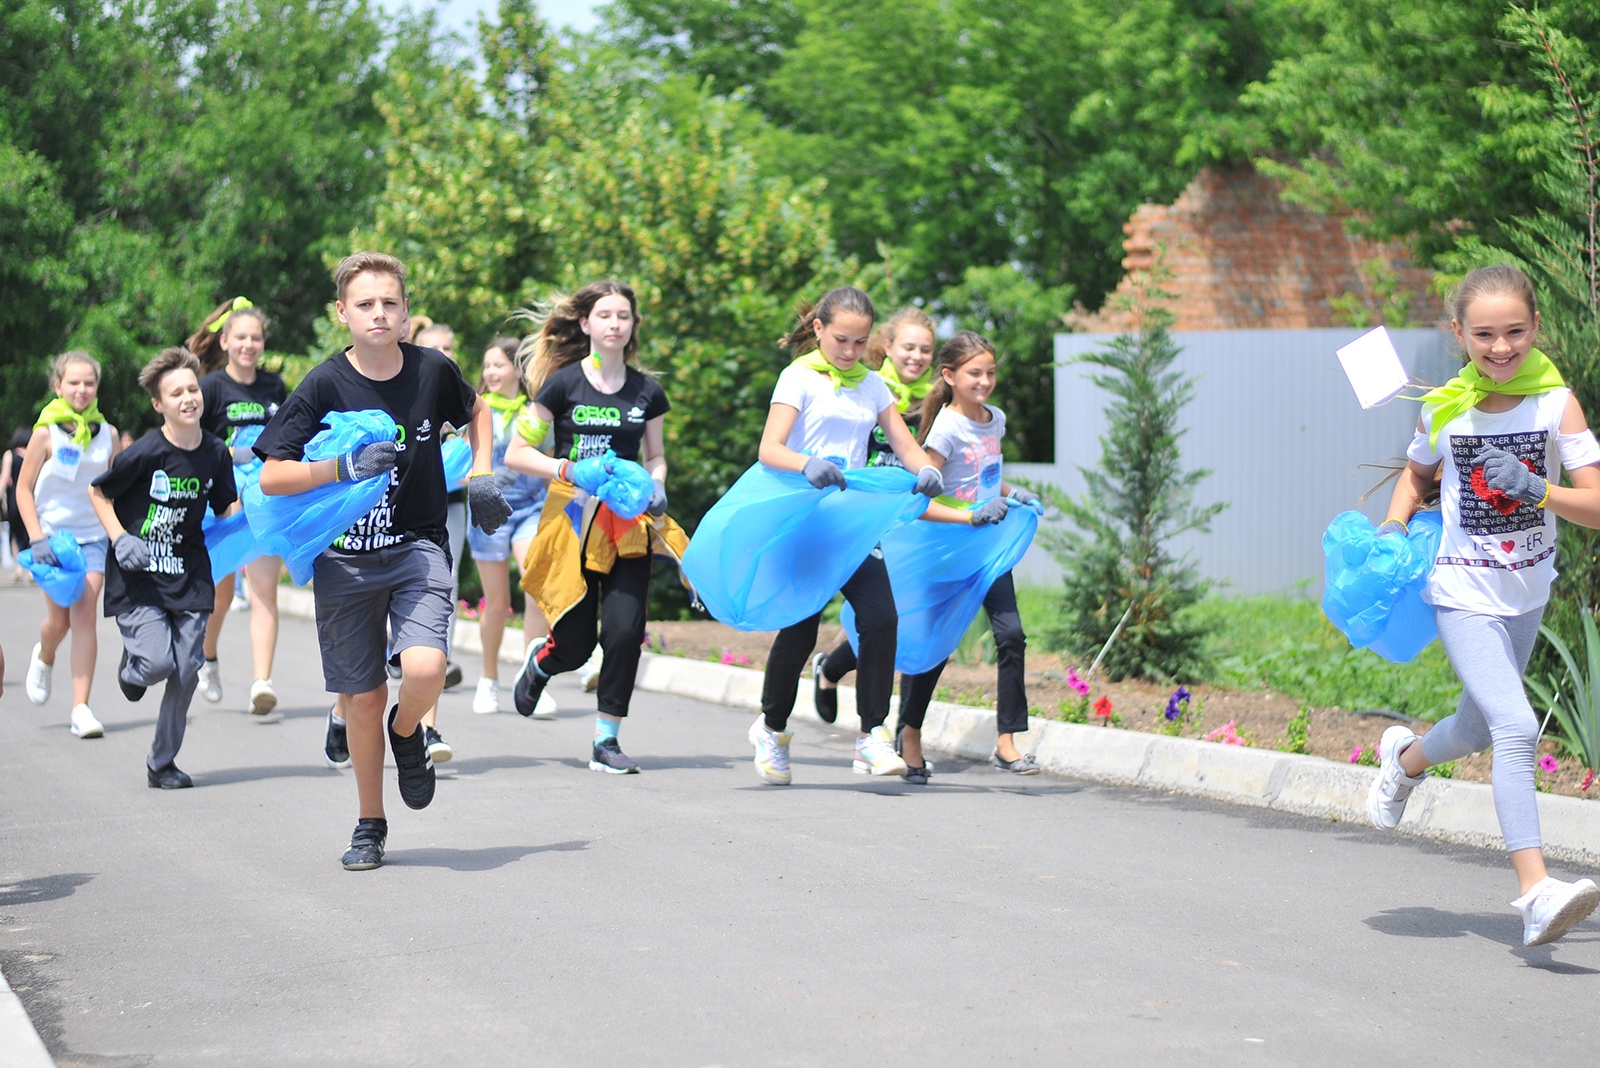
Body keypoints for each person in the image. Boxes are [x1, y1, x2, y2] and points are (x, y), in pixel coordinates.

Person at [254, 252, 507, 870]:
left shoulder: (431, 371)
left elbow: (478, 410)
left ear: (405, 312)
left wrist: (481, 472)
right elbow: (271, 476)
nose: (378, 313)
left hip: (417, 546)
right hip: (344, 562)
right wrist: (340, 468)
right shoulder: (322, 384)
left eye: (389, 303)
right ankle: (370, 823)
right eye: (365, 303)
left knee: (424, 669)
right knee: (361, 698)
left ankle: (408, 732)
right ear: (342, 313)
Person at [1371, 264, 1600, 946]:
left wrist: (1537, 489)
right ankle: (1534, 892)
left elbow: (1593, 505)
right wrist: (1392, 525)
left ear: (1534, 329)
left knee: (1473, 732)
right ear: (1459, 334)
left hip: (1525, 594)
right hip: (1462, 593)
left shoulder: (1555, 404)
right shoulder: (1442, 406)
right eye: (1485, 335)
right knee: (1516, 730)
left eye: (1515, 333)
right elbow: (1415, 472)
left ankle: (1405, 759)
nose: (1501, 348)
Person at [748, 286, 945, 785]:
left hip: (852, 520)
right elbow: (769, 449)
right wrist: (805, 462)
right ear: (818, 329)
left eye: (859, 343)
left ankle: (871, 737)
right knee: (800, 630)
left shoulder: (872, 385)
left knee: (881, 617)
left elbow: (903, 444)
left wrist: (925, 472)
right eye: (841, 340)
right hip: (805, 517)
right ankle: (771, 729)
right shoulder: (799, 377)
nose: (850, 352)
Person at [505, 281, 686, 773]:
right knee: (577, 644)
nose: (615, 324)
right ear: (585, 324)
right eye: (604, 315)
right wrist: (567, 469)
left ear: (632, 327)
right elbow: (516, 454)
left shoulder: (648, 391)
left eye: (623, 316)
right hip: (571, 522)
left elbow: (656, 456)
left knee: (626, 633)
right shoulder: (562, 385)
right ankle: (542, 663)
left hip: (626, 524)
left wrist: (657, 486)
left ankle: (606, 740)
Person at [884, 330, 1044, 784]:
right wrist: (972, 516)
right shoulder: (946, 428)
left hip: (990, 549)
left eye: (991, 372)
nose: (985, 381)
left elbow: (986, 476)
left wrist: (1014, 493)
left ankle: (1007, 741)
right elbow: (925, 499)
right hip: (947, 549)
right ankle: (909, 734)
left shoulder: (997, 419)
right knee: (936, 645)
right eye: (975, 373)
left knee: (1011, 634)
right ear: (950, 376)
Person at [89, 347, 235, 787]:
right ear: (159, 404)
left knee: (186, 670)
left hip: (190, 576)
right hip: (140, 576)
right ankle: (133, 667)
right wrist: (120, 538)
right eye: (176, 393)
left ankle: (161, 763)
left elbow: (225, 507)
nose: (188, 398)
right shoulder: (146, 451)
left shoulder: (214, 452)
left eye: (193, 388)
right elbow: (100, 494)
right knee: (155, 665)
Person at [811, 307, 937, 724]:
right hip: (863, 515)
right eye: (908, 347)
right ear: (887, 347)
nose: (916, 356)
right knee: (880, 616)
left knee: (890, 618)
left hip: (910, 517)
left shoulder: (934, 400)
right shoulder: (868, 388)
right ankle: (853, 699)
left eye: (925, 350)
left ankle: (832, 673)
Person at [190, 297, 289, 715]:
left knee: (266, 589)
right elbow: (193, 444)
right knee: (221, 596)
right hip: (223, 503)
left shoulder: (274, 387)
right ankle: (207, 660)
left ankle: (261, 681)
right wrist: (232, 457)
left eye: (257, 337)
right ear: (226, 340)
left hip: (266, 502)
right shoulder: (210, 389)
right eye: (242, 337)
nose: (249, 344)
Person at [16, 352, 121, 738]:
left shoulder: (108, 433)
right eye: (73, 383)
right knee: (58, 621)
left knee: (84, 614)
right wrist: (37, 538)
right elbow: (23, 491)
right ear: (58, 386)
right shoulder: (45, 433)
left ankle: (81, 708)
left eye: (89, 383)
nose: (82, 390)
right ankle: (44, 657)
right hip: (53, 539)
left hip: (93, 536)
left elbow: (116, 485)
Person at [468, 336, 550, 716]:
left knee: (535, 586)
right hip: (489, 513)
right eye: (487, 366)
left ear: (518, 369)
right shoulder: (475, 409)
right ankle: (488, 680)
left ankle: (532, 677)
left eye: (498, 365)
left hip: (531, 510)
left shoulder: (536, 412)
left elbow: (549, 459)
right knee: (497, 603)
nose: (490, 372)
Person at [5, 426, 33, 580]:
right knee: (29, 531)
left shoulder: (10, 455)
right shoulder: (32, 455)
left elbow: (4, 477)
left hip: (14, 498)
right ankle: (31, 570)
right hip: (31, 497)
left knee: (15, 534)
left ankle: (18, 568)